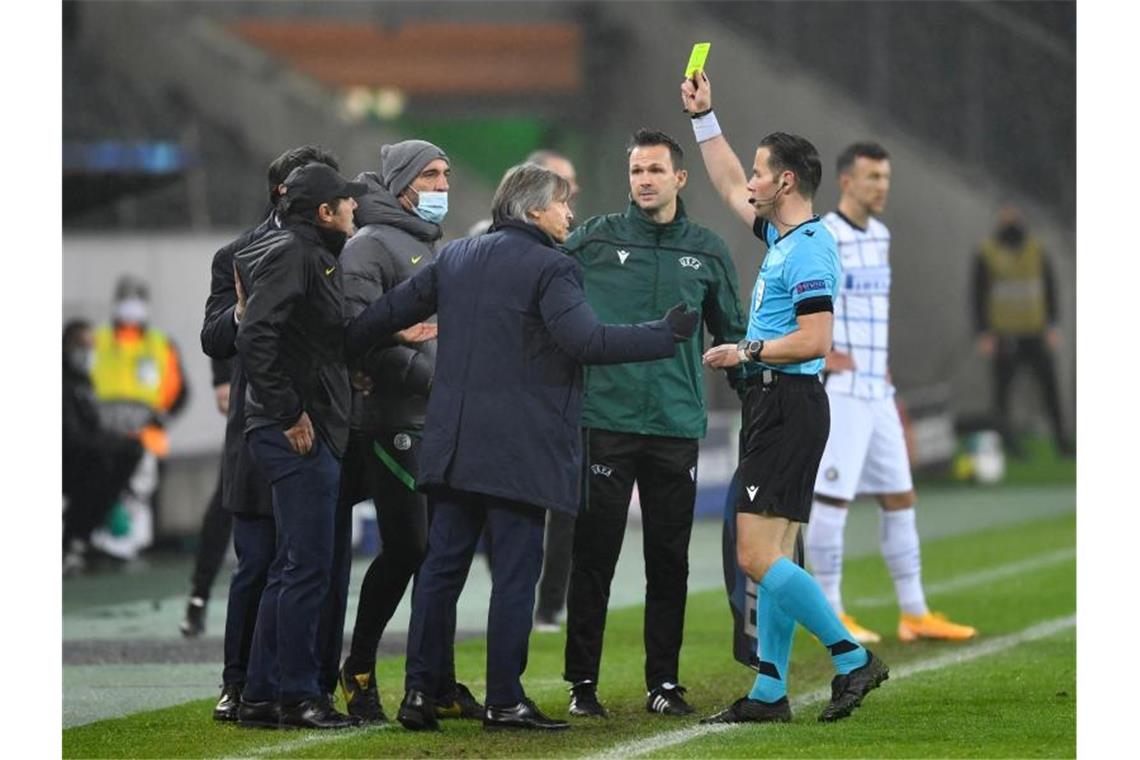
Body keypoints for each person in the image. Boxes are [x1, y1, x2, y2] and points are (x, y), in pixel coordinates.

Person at [346, 163, 697, 732]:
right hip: (518, 453)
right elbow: (585, 341)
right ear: (534, 210)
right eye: (563, 203)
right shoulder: (552, 267)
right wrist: (666, 333)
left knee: (441, 571)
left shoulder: (456, 256)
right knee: (513, 575)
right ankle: (504, 699)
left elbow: (380, 317)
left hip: (454, 445)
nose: (570, 214)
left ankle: (416, 694)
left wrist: (354, 359)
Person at [681, 70, 888, 724]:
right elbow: (720, 179)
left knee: (754, 555)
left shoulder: (812, 251)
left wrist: (743, 350)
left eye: (760, 173)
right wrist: (704, 116)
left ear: (786, 182)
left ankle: (852, 659)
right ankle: (771, 691)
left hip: (786, 405)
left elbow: (817, 339)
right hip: (778, 407)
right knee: (770, 553)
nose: (751, 181)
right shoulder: (784, 236)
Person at [561, 128, 750, 719]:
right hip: (605, 420)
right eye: (636, 171)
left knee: (669, 560)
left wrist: (759, 394)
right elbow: (542, 300)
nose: (644, 180)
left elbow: (733, 334)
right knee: (594, 556)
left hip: (674, 425)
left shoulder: (709, 250)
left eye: (654, 171)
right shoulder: (592, 240)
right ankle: (582, 685)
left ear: (680, 178)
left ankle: (663, 683)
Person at [804, 142, 977, 646]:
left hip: (878, 388)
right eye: (873, 176)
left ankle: (914, 612)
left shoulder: (880, 235)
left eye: (886, 177)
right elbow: (806, 296)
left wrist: (884, 373)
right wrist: (823, 355)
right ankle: (831, 611)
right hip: (842, 390)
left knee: (900, 496)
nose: (882, 185)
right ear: (846, 182)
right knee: (832, 500)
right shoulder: (824, 235)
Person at [336, 139, 481, 724]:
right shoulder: (368, 247)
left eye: (447, 174)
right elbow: (362, 339)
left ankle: (437, 681)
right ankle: (359, 666)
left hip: (437, 420)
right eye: (432, 175)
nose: (443, 185)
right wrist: (432, 382)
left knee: (439, 554)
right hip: (392, 421)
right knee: (411, 547)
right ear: (402, 184)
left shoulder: (431, 244)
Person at [194, 145, 340, 720]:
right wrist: (241, 311)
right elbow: (214, 336)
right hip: (268, 423)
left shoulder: (332, 247)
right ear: (284, 192)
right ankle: (242, 684)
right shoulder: (238, 254)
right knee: (258, 561)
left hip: (317, 419)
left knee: (313, 561)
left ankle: (304, 681)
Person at [233, 162, 366, 730]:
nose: (355, 208)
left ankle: (263, 695)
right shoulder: (297, 254)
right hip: (295, 432)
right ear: (324, 212)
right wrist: (289, 409)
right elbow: (255, 333)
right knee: (305, 568)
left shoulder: (312, 255)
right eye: (346, 201)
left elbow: (307, 338)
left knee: (293, 568)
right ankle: (296, 695)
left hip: (304, 424)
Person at [89, 275, 188, 560]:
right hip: (104, 439)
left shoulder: (160, 345)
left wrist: (160, 419)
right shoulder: (98, 341)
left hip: (147, 439)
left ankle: (138, 549)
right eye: (126, 300)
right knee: (102, 494)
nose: (131, 309)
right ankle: (99, 547)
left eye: (136, 301)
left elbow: (180, 391)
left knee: (141, 498)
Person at [526, 149, 580, 634]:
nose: (572, 198)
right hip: (515, 400)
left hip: (561, 398)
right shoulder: (487, 240)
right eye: (563, 188)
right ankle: (520, 593)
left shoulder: (576, 246)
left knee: (565, 505)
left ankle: (549, 605)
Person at [972, 203, 1073, 457]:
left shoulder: (1036, 250)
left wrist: (1053, 325)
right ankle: (1008, 444)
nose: (1010, 219)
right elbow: (978, 294)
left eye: (1014, 213)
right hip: (1004, 334)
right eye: (1005, 214)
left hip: (1035, 332)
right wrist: (983, 332)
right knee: (1003, 395)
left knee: (1050, 390)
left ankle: (1062, 441)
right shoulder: (987, 252)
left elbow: (1050, 288)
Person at [63, 319, 144, 574]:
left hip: (85, 457)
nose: (89, 353)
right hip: (70, 459)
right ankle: (73, 540)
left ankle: (78, 540)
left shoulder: (84, 382)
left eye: (91, 346)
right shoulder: (64, 382)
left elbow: (92, 429)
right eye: (82, 346)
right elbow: (72, 435)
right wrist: (110, 444)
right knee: (104, 466)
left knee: (128, 452)